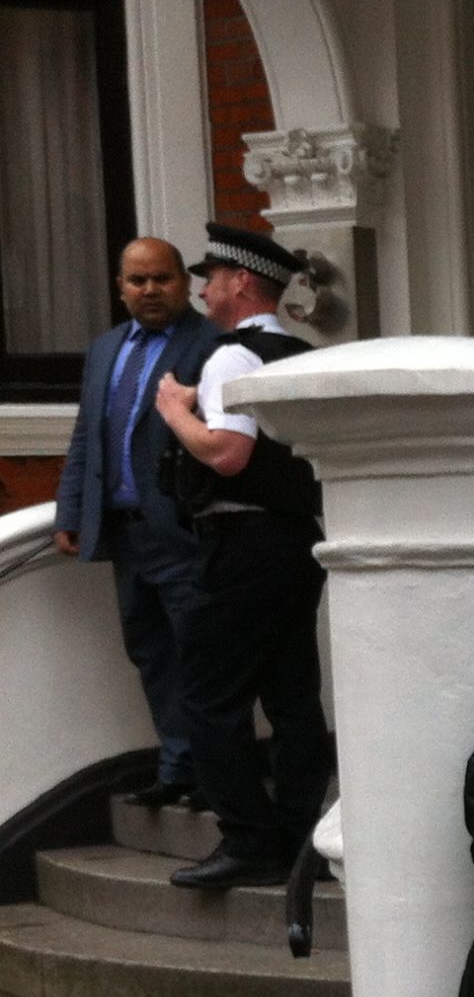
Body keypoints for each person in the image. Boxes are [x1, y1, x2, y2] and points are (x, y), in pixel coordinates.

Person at [151, 223, 329, 891]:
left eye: (213, 278)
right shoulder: (300, 354)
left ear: (242, 283)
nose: (203, 290)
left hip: (240, 544)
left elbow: (227, 453)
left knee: (206, 697)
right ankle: (298, 835)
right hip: (295, 541)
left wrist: (175, 410)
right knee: (292, 697)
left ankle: (248, 839)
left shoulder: (231, 357)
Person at [51, 238, 222, 808]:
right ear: (120, 288)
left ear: (184, 283)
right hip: (125, 533)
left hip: (186, 531)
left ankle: (216, 777)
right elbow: (86, 435)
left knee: (201, 655)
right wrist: (71, 511)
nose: (150, 290)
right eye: (137, 280)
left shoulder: (212, 344)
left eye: (162, 279)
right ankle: (177, 768)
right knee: (150, 652)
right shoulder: (105, 349)